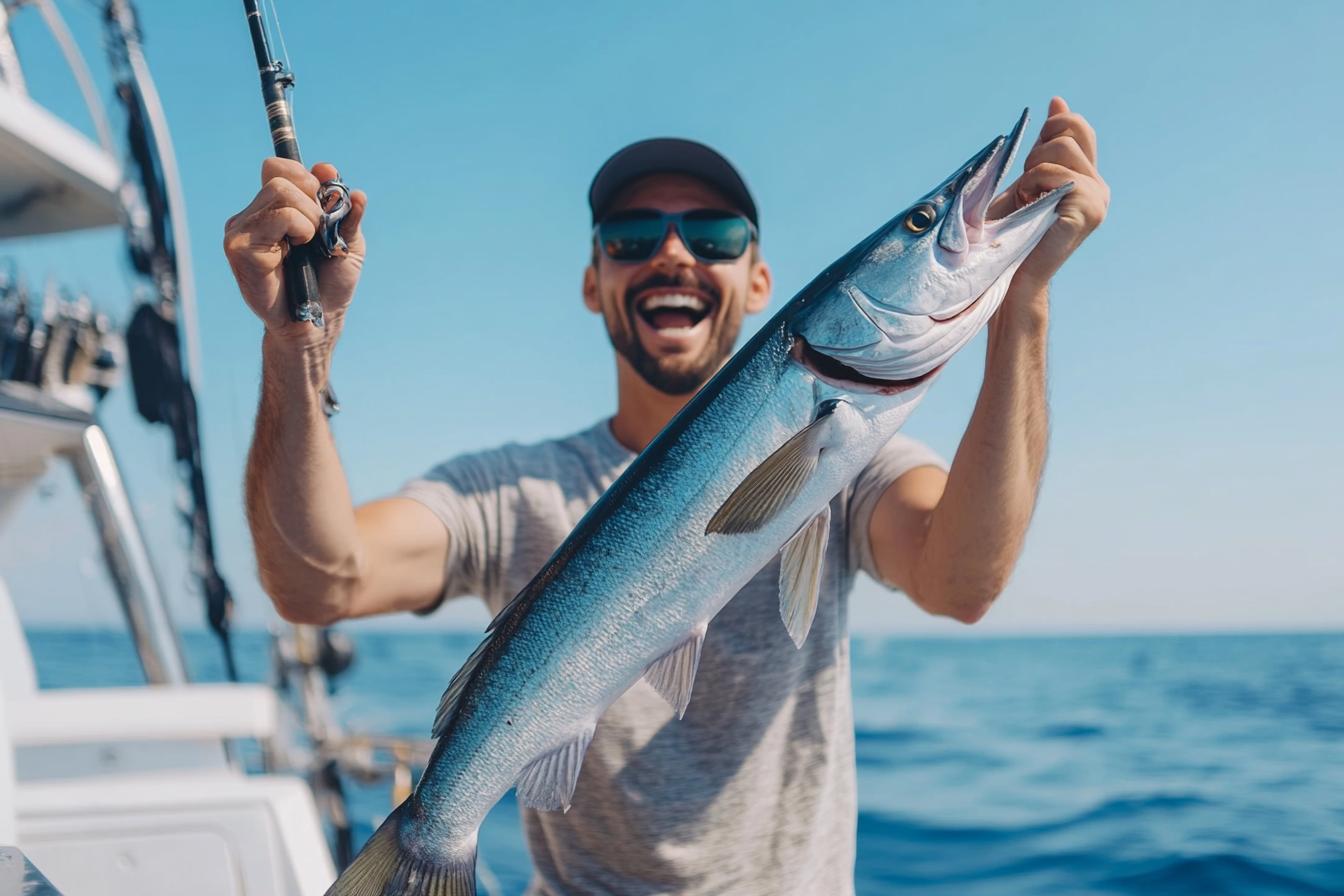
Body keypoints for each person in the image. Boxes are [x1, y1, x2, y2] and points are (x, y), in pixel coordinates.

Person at [224, 96, 1108, 895]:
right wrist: (295, 338)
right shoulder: (508, 492)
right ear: (593, 281)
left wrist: (1022, 296)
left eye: (715, 235)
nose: (674, 254)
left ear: (761, 285)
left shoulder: (855, 464)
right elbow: (317, 583)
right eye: (632, 238)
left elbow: (962, 581)